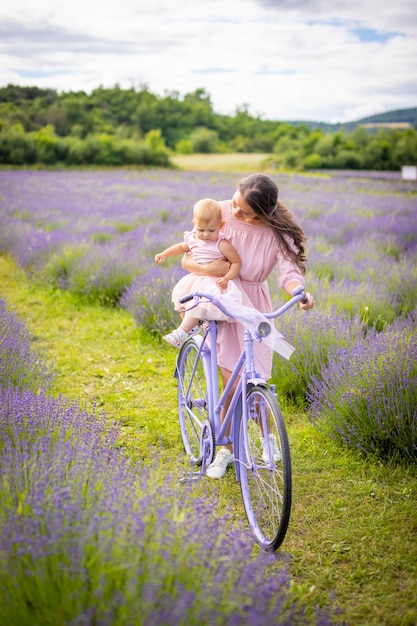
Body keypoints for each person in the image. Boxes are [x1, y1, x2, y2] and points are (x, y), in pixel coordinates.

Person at [181, 173, 315, 478]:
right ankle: (225, 450)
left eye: (245, 212)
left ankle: (269, 436)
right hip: (222, 298)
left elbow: (289, 272)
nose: (235, 212)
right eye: (235, 203)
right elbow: (190, 252)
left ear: (264, 212)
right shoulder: (218, 209)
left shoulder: (279, 232)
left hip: (253, 304)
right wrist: (207, 269)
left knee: (253, 382)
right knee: (230, 385)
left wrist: (298, 292)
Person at [155, 197, 242, 348]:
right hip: (195, 279)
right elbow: (181, 248)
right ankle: (192, 328)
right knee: (183, 303)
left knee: (197, 305)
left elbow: (236, 262)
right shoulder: (193, 238)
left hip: (213, 283)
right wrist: (165, 254)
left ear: (221, 226)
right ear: (194, 224)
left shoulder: (221, 244)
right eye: (201, 230)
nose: (205, 234)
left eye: (211, 230)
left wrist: (227, 278)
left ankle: (181, 333)